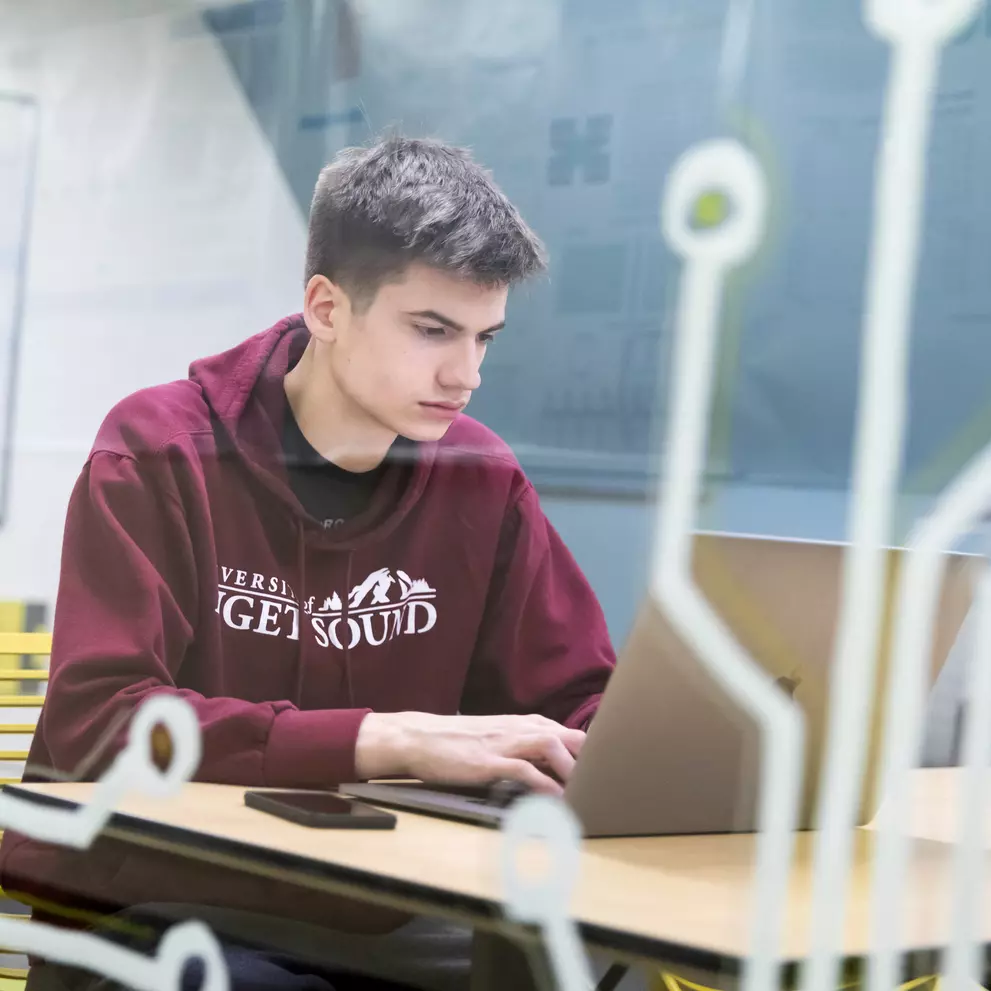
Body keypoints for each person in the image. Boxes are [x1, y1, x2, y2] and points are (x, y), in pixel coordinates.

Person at [3, 136, 616, 990]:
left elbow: (574, 703)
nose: (465, 372)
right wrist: (387, 739)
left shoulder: (483, 479)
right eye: (432, 330)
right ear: (327, 308)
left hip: (399, 911)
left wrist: (651, 752)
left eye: (485, 337)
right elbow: (100, 724)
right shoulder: (158, 451)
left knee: (606, 966)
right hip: (169, 911)